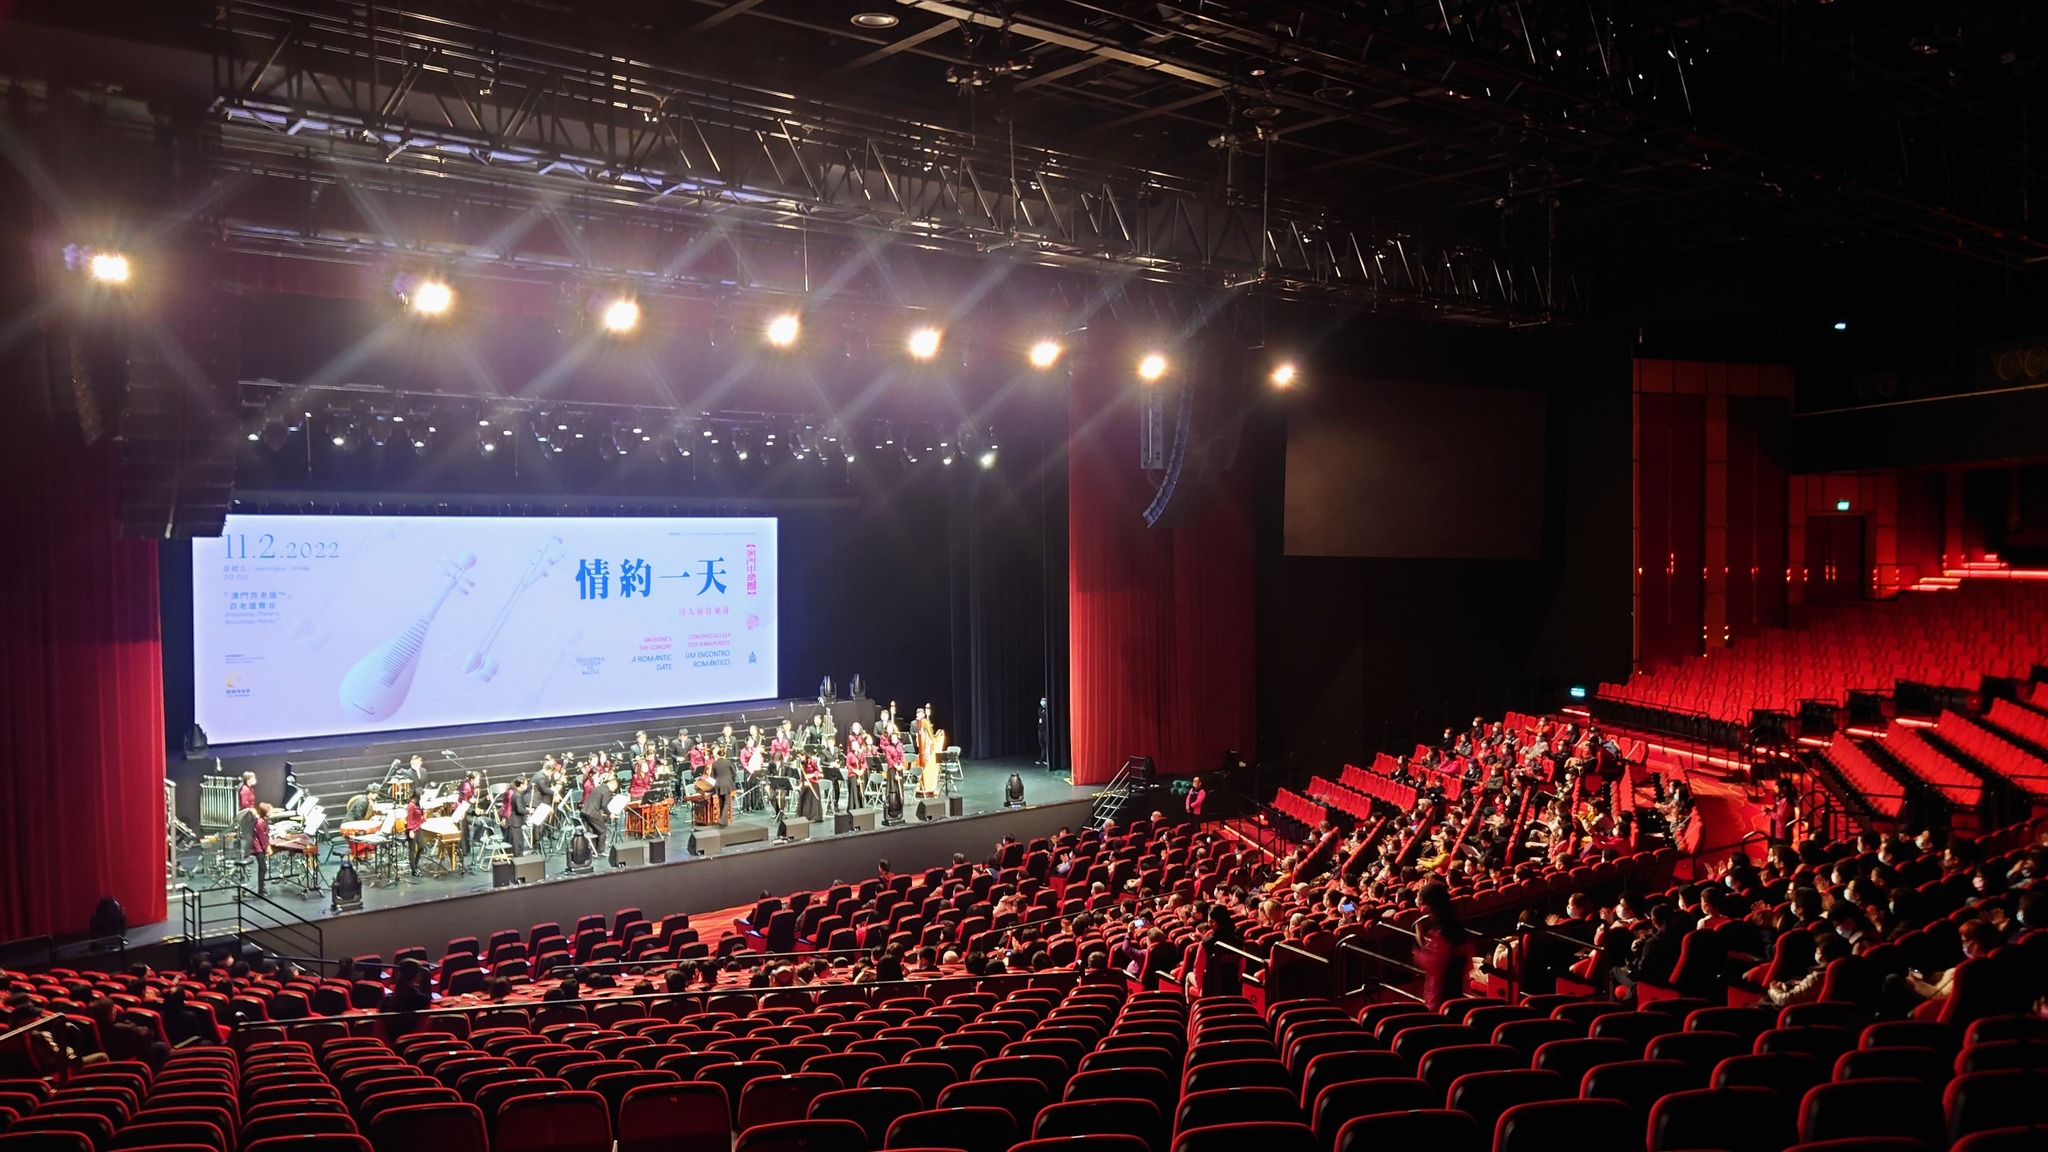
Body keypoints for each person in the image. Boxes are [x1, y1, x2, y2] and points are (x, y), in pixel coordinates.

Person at [1413, 882, 1474, 1010]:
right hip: (1458, 988)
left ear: (1429, 906)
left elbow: (1432, 964)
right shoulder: (1458, 928)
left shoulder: (1441, 934)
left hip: (1441, 992)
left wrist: (1417, 945)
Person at [1181, 905, 1244, 998]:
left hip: (1210, 990)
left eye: (1209, 919)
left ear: (1214, 922)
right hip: (1233, 989)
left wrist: (1201, 990)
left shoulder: (1205, 944)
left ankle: (1191, 1009)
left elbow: (1198, 970)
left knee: (1188, 976)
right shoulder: (1238, 942)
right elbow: (1241, 967)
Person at [240, 802, 273, 895]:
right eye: (270, 810)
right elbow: (262, 838)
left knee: (263, 868)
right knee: (263, 868)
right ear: (266, 812)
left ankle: (262, 886)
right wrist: (267, 848)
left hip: (260, 846)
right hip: (257, 847)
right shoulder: (260, 823)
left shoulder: (262, 821)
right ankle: (261, 889)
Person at [582, 767, 614, 855]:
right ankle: (600, 851)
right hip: (591, 812)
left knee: (597, 829)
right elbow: (604, 804)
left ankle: (595, 850)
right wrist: (609, 813)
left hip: (585, 811)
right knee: (603, 830)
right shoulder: (603, 789)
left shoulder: (598, 787)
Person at [501, 777, 530, 856]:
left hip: (516, 821)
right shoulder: (516, 795)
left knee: (519, 840)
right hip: (515, 821)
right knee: (517, 842)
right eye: (526, 784)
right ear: (521, 785)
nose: (527, 786)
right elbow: (519, 809)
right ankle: (518, 858)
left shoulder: (517, 793)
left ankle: (519, 855)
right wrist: (529, 811)